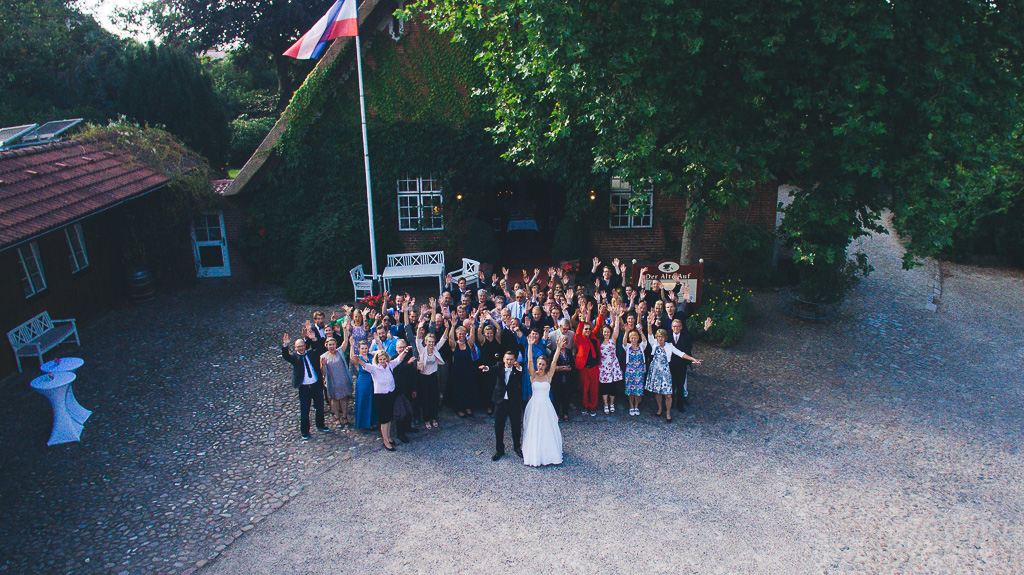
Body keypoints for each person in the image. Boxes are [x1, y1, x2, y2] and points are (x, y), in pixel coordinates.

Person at [645, 312, 702, 423]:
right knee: (658, 392)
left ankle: (668, 412)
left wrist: (693, 359)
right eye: (658, 337)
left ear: (665, 338)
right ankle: (660, 409)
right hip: (656, 371)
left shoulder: (669, 346)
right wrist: (649, 324)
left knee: (668, 393)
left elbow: (681, 354)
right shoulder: (654, 344)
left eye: (662, 337)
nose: (660, 339)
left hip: (666, 372)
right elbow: (650, 335)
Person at [521, 337, 565, 467]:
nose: (540, 366)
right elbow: (529, 360)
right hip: (534, 406)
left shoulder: (548, 375)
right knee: (534, 429)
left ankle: (549, 453)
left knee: (547, 429)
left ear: (546, 366)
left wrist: (558, 348)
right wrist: (529, 346)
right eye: (539, 364)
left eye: (542, 364)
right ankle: (535, 453)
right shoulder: (532, 375)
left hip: (546, 406)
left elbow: (555, 361)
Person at [360, 346, 411, 451]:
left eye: (384, 359)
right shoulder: (374, 368)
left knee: (389, 418)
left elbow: (399, 359)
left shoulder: (389, 366)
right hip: (381, 396)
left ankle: (388, 437)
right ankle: (385, 441)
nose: (383, 361)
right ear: (377, 360)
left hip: (390, 394)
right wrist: (357, 359)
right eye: (380, 359)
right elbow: (364, 365)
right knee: (384, 419)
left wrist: (405, 351)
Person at [281, 330, 329, 440]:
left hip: (316, 385)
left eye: (302, 346)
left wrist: (313, 339)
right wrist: (285, 345)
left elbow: (319, 349)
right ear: (295, 348)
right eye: (298, 347)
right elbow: (286, 356)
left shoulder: (311, 354)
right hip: (304, 388)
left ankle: (320, 424)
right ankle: (305, 431)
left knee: (320, 407)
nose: (301, 348)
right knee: (305, 410)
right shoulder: (294, 357)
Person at [481, 351, 524, 461]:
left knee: (516, 425)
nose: (509, 362)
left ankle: (517, 447)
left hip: (514, 402)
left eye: (511, 359)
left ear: (515, 360)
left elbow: (521, 373)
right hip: (501, 402)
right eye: (507, 359)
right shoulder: (500, 366)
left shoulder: (517, 368)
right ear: (504, 359)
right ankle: (499, 449)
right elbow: (491, 368)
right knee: (498, 426)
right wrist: (486, 368)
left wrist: (518, 367)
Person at [573, 306, 604, 417]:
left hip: (594, 367)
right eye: (585, 329)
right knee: (585, 388)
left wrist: (600, 315)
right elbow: (577, 333)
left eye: (589, 329)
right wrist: (581, 322)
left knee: (594, 389)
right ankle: (585, 406)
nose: (587, 331)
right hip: (584, 368)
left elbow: (598, 325)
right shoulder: (579, 339)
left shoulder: (593, 337)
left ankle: (593, 407)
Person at [320, 325, 353, 428]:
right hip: (332, 380)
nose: (332, 346)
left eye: (333, 344)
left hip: (342, 379)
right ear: (326, 345)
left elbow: (345, 342)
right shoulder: (323, 357)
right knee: (334, 400)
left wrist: (345, 329)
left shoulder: (339, 352)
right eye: (330, 344)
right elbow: (323, 372)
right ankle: (337, 417)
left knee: (343, 398)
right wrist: (323, 364)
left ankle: (344, 416)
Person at [445, 319, 479, 418]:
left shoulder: (468, 344)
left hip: (468, 370)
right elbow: (450, 338)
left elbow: (472, 336)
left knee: (468, 389)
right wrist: (452, 326)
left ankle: (468, 407)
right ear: (457, 334)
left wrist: (472, 325)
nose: (462, 335)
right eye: (460, 334)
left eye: (463, 334)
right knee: (458, 390)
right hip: (457, 372)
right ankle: (459, 409)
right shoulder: (454, 345)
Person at [416, 331, 446, 429]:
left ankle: (433, 417)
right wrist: (419, 328)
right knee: (425, 399)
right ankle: (426, 419)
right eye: (429, 342)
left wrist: (448, 327)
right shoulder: (422, 350)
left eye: (432, 342)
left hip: (433, 376)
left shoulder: (435, 349)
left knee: (434, 398)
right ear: (425, 342)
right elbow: (417, 340)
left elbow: (443, 339)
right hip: (423, 377)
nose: (431, 344)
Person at [597, 306, 623, 414]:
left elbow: (616, 329)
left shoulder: (613, 340)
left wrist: (617, 317)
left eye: (608, 332)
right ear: (602, 333)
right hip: (603, 368)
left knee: (612, 387)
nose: (606, 334)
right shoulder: (599, 343)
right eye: (605, 332)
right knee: (604, 387)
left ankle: (612, 403)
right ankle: (605, 404)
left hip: (613, 367)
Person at [350, 340, 377, 430]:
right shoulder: (358, 358)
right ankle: (364, 423)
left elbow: (381, 352)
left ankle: (372, 421)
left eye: (366, 348)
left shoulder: (371, 356)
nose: (364, 350)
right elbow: (352, 358)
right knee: (363, 401)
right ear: (359, 349)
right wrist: (352, 345)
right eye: (362, 348)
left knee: (372, 401)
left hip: (372, 381)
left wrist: (378, 342)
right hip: (363, 382)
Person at [622, 328, 647, 416]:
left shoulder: (641, 347)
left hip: (639, 372)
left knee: (638, 390)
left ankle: (636, 406)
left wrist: (640, 331)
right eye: (632, 338)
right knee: (630, 390)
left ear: (638, 338)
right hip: (630, 372)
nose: (633, 339)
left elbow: (645, 341)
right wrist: (626, 332)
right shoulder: (628, 347)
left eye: (635, 338)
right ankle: (631, 406)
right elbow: (624, 343)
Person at [550, 334, 574, 422]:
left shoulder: (569, 352)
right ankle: (556, 414)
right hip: (557, 379)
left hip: (567, 378)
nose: (563, 343)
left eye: (564, 341)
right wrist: (562, 368)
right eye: (561, 341)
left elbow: (572, 364)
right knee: (556, 397)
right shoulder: (553, 352)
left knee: (566, 397)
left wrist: (569, 368)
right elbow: (552, 367)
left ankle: (565, 413)